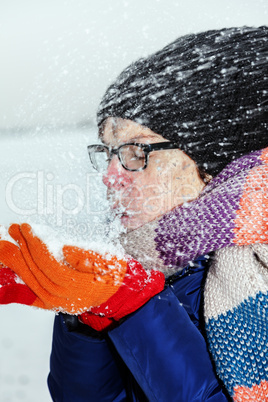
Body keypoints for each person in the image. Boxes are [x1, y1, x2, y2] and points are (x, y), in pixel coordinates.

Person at [0, 26, 267, 401]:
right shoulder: (147, 264)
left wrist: (136, 305)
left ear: (210, 162)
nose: (110, 176)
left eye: (135, 152)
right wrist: (90, 315)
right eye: (109, 152)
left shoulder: (256, 272)